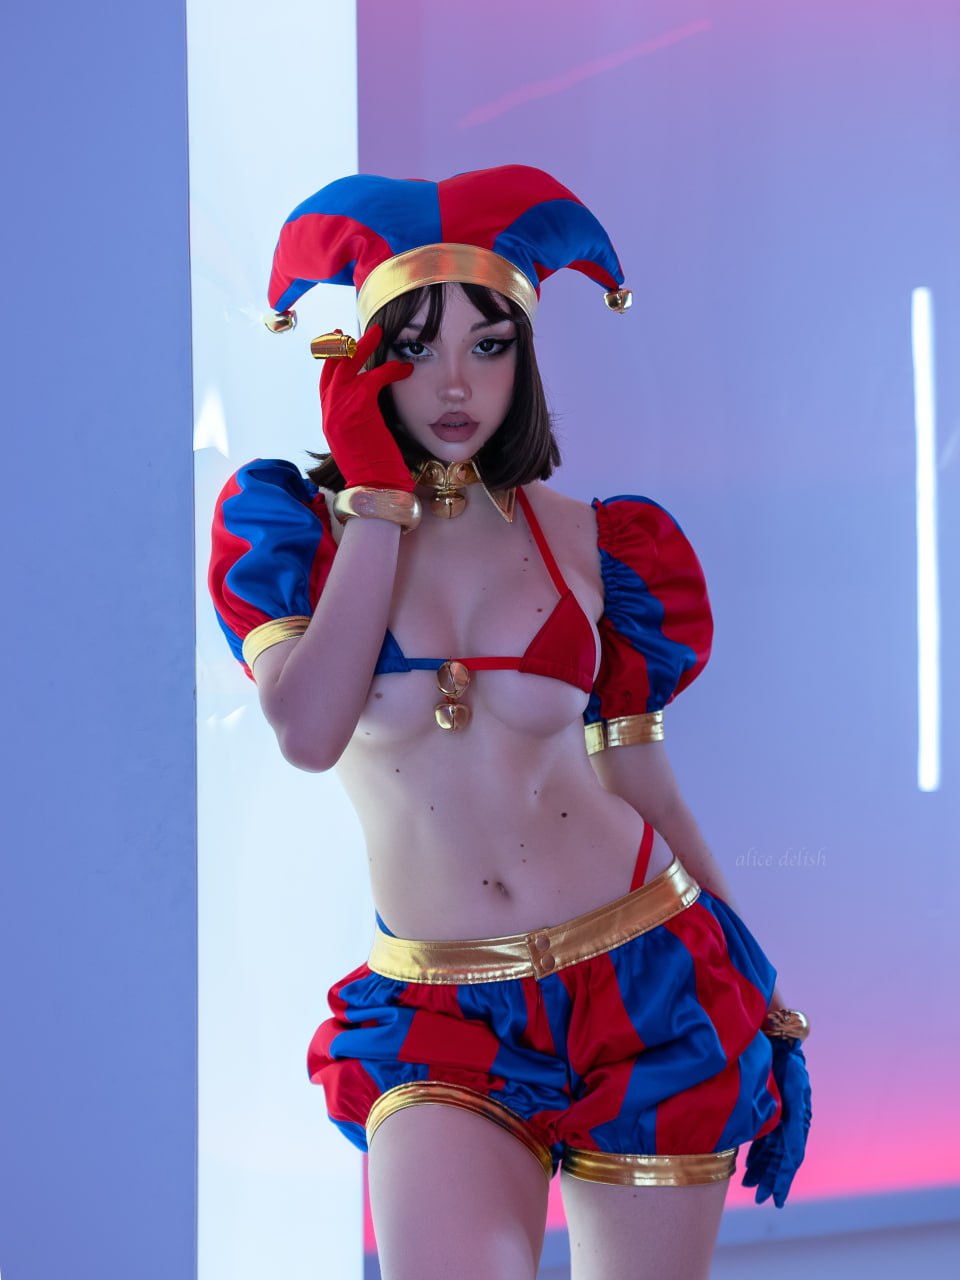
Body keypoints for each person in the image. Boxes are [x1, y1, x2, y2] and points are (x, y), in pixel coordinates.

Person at [209, 165, 811, 1280]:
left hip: (648, 975)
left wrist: (756, 980)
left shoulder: (600, 541)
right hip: (442, 1003)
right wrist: (378, 503)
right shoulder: (297, 528)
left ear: (524, 358)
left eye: (488, 346)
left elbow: (643, 784)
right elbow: (306, 731)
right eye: (416, 345)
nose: (455, 383)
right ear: (361, 357)